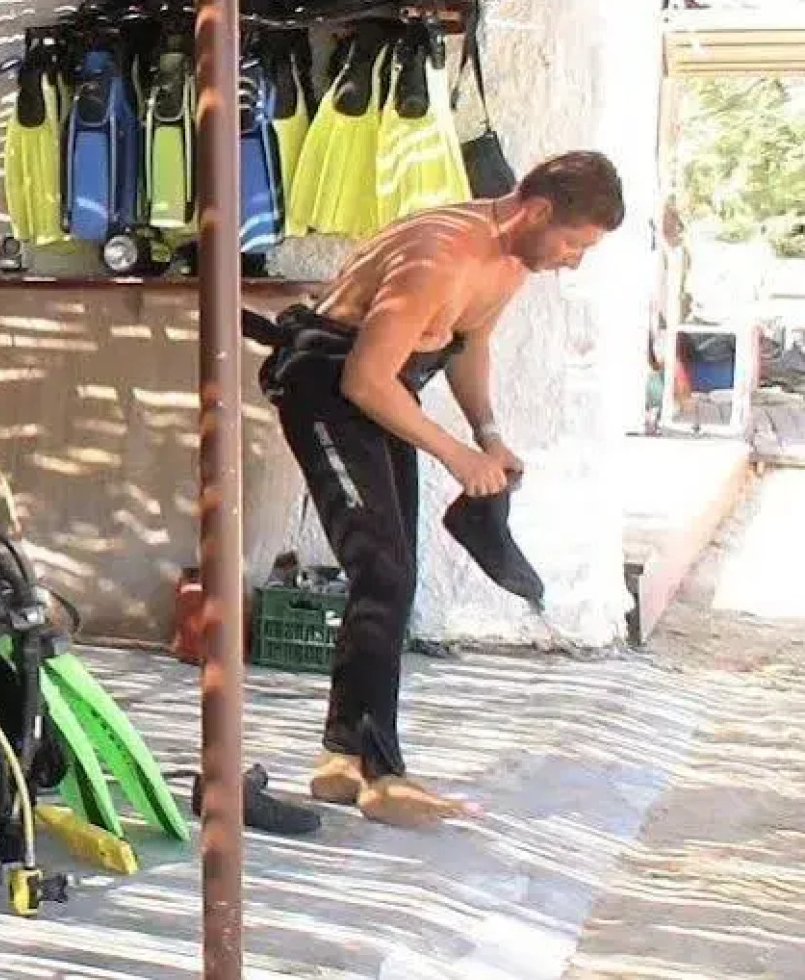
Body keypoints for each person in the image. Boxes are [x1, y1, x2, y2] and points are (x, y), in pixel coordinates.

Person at [252, 152, 625, 827]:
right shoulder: (439, 254)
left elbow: (467, 343)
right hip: (326, 386)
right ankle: (379, 775)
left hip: (383, 388)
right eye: (572, 243)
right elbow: (361, 381)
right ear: (536, 211)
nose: (572, 261)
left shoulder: (512, 260)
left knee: (394, 573)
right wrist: (452, 454)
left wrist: (485, 433)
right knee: (381, 569)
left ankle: (342, 761)